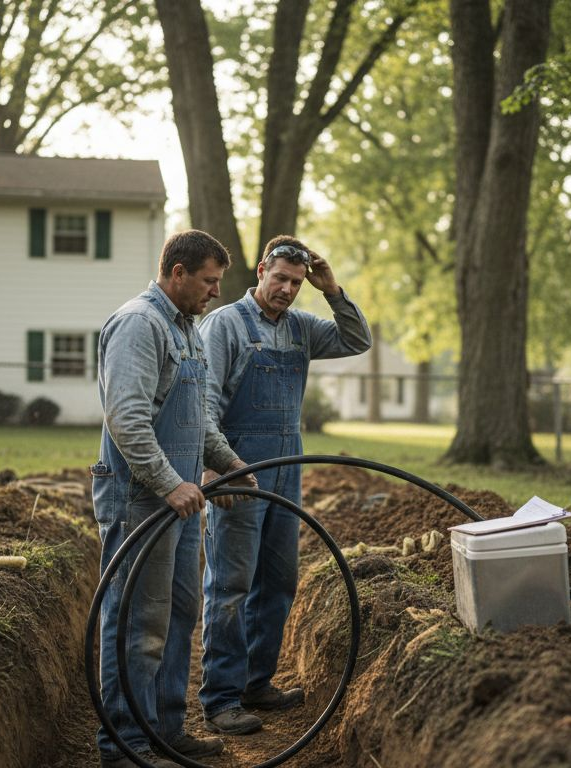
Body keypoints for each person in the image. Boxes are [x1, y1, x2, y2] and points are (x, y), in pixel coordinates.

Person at [92, 229, 257, 768]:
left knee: (179, 615)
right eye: (209, 281)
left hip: (180, 499)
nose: (215, 292)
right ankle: (125, 745)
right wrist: (168, 483)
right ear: (178, 272)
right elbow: (127, 420)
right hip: (142, 498)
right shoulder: (140, 324)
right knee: (139, 622)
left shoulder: (185, 328)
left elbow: (198, 420)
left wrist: (227, 462)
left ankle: (163, 730)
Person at [197, 235, 372, 735]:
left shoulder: (302, 328)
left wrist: (332, 291)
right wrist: (214, 467)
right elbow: (204, 402)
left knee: (278, 580)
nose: (288, 290)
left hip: (287, 469)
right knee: (231, 584)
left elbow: (356, 340)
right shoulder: (225, 325)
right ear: (260, 272)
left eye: (297, 283)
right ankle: (220, 697)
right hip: (237, 468)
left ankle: (257, 683)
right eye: (281, 279)